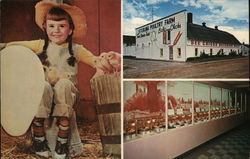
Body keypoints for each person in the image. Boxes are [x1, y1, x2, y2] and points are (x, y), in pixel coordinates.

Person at [1, 1, 120, 159]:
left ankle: (62, 141)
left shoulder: (77, 50)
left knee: (63, 84)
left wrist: (108, 60)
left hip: (67, 94)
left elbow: (95, 60)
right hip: (44, 94)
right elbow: (11, 45)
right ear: (45, 27)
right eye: (51, 26)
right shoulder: (39, 45)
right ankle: (39, 138)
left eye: (62, 26)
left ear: (70, 30)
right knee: (42, 85)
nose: (56, 30)